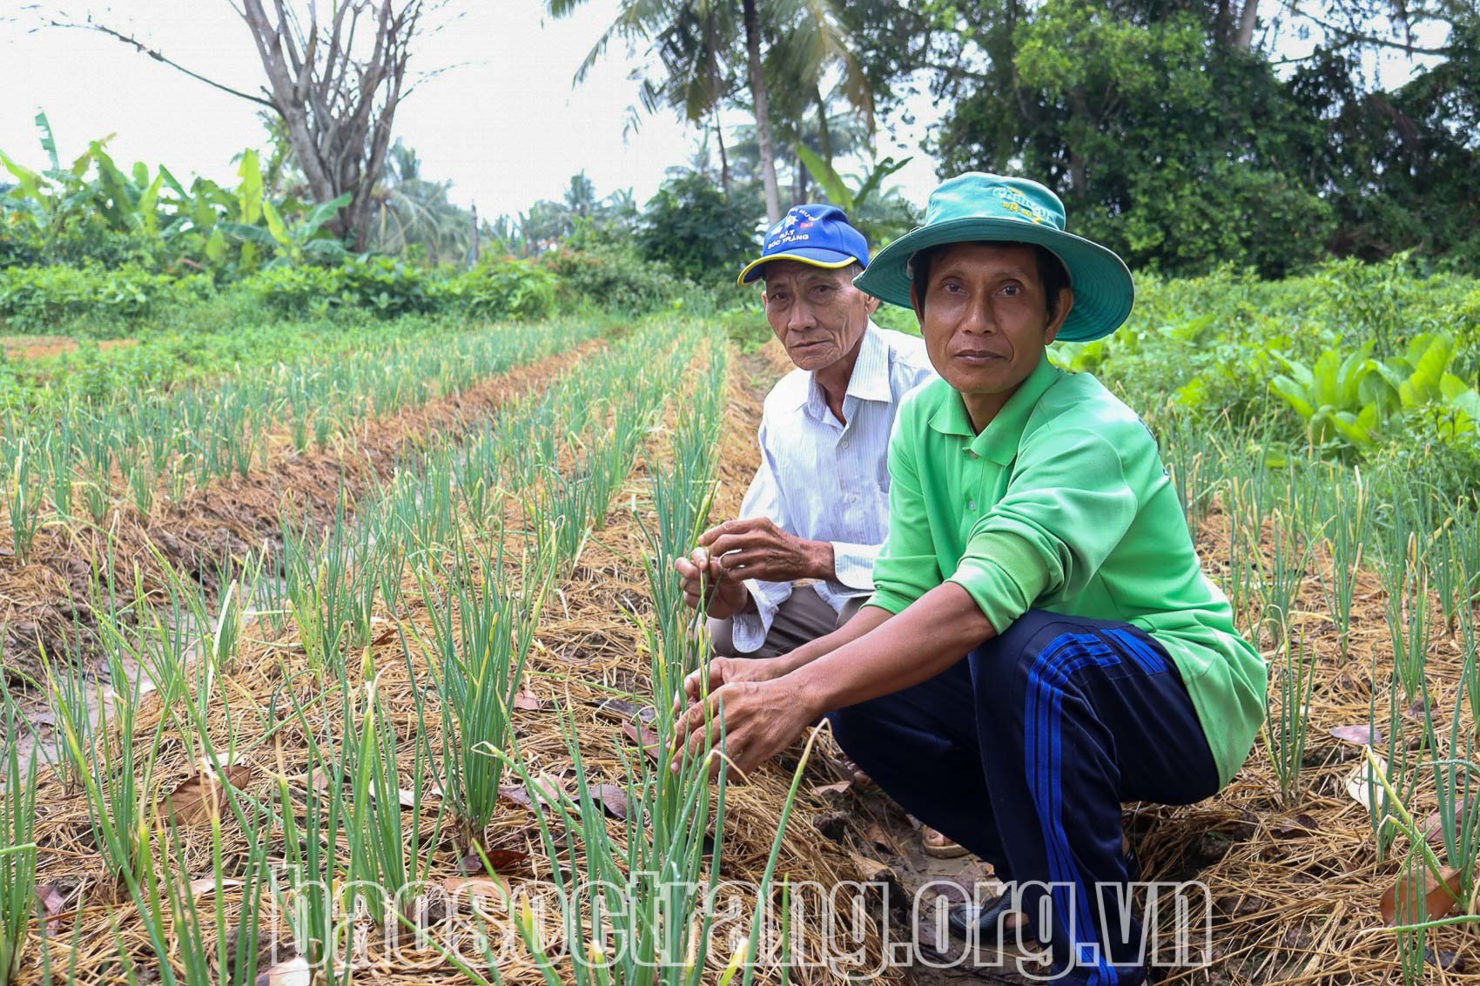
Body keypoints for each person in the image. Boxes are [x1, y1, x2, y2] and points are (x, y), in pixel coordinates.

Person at [675, 173, 1267, 985]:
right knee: (870, 704)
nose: (977, 320)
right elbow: (903, 597)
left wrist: (796, 696)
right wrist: (780, 670)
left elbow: (978, 604)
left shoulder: (1089, 431)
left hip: (1184, 697)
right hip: (1045, 681)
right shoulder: (928, 417)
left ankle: (1101, 958)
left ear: (1056, 313)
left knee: (1028, 650)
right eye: (953, 289)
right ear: (919, 306)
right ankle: (1043, 878)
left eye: (1010, 291)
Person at [675, 203, 934, 664]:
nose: (799, 320)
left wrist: (818, 559)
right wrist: (732, 589)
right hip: (836, 604)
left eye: (821, 291)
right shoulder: (783, 407)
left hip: (918, 602)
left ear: (868, 294)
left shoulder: (924, 384)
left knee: (864, 622)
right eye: (780, 298)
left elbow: (947, 557)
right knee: (724, 635)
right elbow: (768, 543)